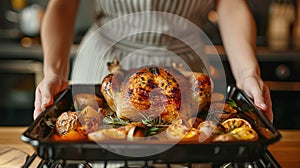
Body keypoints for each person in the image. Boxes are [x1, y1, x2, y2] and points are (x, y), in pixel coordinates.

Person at [33, 0, 273, 122]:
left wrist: (247, 74)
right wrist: (55, 73)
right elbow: (63, 5)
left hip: (187, 72)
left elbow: (230, 4)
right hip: (105, 66)